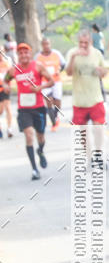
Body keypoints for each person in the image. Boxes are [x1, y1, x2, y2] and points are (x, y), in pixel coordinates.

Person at [4, 43, 54, 179]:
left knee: (40, 137)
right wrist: (5, 86)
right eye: (20, 53)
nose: (23, 55)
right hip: (24, 109)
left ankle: (41, 151)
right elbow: (5, 80)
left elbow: (51, 81)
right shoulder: (14, 70)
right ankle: (34, 170)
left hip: (38, 107)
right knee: (29, 135)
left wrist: (40, 87)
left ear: (30, 54)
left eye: (26, 52)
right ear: (18, 56)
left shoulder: (38, 66)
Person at [65, 30, 109, 166]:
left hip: (95, 98)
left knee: (99, 129)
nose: (83, 45)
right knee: (83, 133)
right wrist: (73, 58)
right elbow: (68, 72)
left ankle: (99, 154)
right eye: (81, 42)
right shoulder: (72, 53)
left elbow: (105, 71)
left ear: (91, 41)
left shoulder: (97, 53)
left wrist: (102, 71)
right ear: (78, 42)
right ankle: (90, 158)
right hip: (79, 101)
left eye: (86, 42)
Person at [35, 37, 65, 131]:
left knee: (57, 102)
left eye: (47, 44)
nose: (46, 46)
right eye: (44, 44)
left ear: (50, 44)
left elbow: (63, 64)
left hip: (56, 81)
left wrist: (59, 70)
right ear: (42, 45)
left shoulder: (56, 54)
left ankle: (55, 115)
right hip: (45, 82)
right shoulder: (38, 57)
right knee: (49, 100)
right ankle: (53, 123)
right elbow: (35, 69)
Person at [0, 48, 14, 138]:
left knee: (8, 107)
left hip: (5, 88)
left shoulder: (8, 61)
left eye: (1, 52)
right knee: (0, 111)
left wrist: (8, 84)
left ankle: (9, 129)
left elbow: (11, 74)